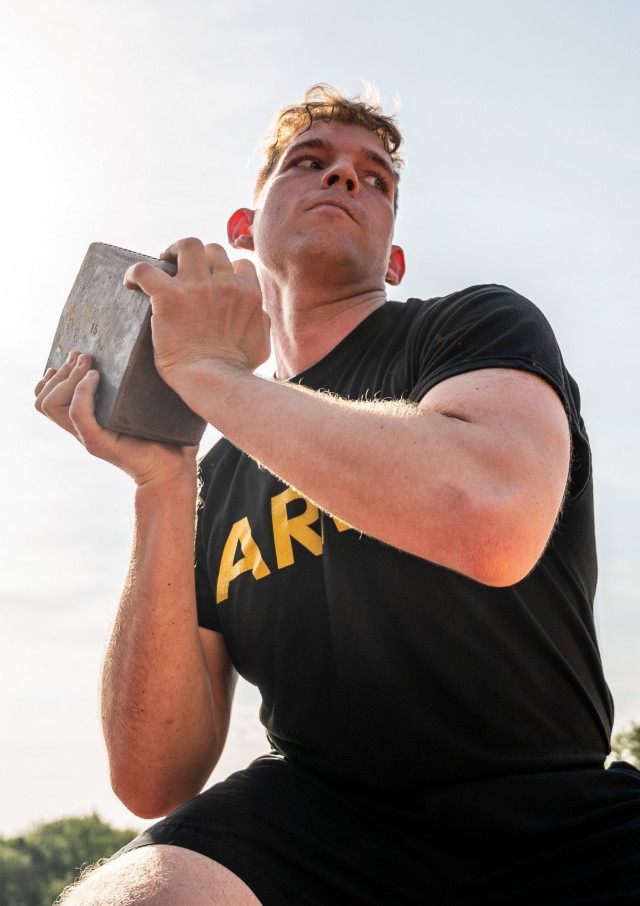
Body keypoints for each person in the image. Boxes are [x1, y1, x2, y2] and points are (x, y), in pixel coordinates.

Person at [35, 84, 640, 906]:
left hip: (554, 810)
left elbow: (491, 516)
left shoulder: (470, 330)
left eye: (376, 178)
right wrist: (163, 481)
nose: (346, 179)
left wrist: (207, 375)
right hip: (316, 818)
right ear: (243, 231)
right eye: (309, 162)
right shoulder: (217, 475)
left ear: (394, 258)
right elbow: (153, 775)